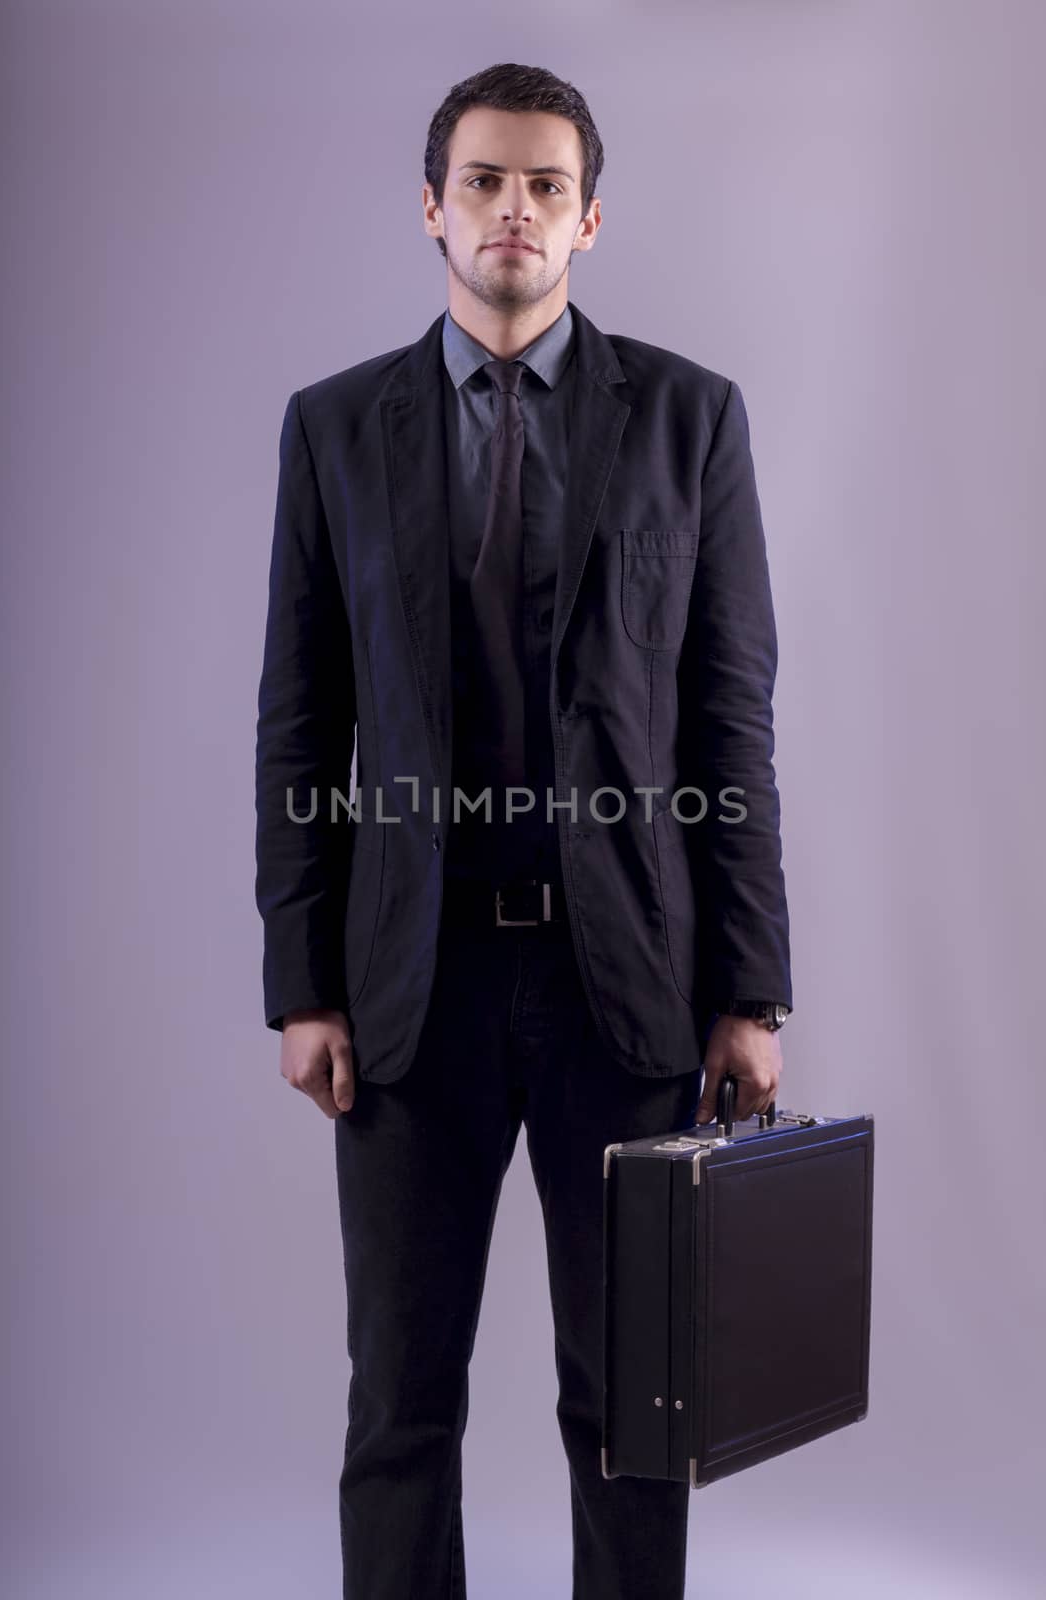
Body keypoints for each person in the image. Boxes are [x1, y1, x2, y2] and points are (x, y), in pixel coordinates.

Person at [254, 60, 793, 1600]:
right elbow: (300, 726)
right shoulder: (335, 431)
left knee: (633, 1407)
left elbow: (731, 728)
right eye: (485, 180)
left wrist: (750, 991)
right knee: (399, 1408)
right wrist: (303, 980)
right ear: (433, 208)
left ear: (591, 218)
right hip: (411, 996)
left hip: (623, 995)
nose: (514, 208)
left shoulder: (692, 422)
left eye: (544, 184)